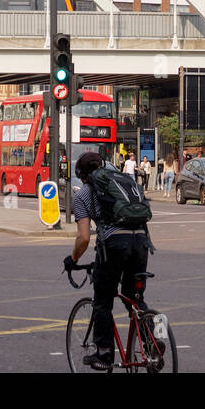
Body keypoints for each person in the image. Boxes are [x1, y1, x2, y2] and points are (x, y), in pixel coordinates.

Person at [65, 150, 153, 371]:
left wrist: (73, 259)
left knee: (103, 300)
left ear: (81, 174)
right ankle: (152, 341)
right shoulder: (123, 182)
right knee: (135, 298)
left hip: (114, 244)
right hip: (141, 241)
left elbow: (84, 237)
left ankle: (104, 353)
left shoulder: (83, 194)